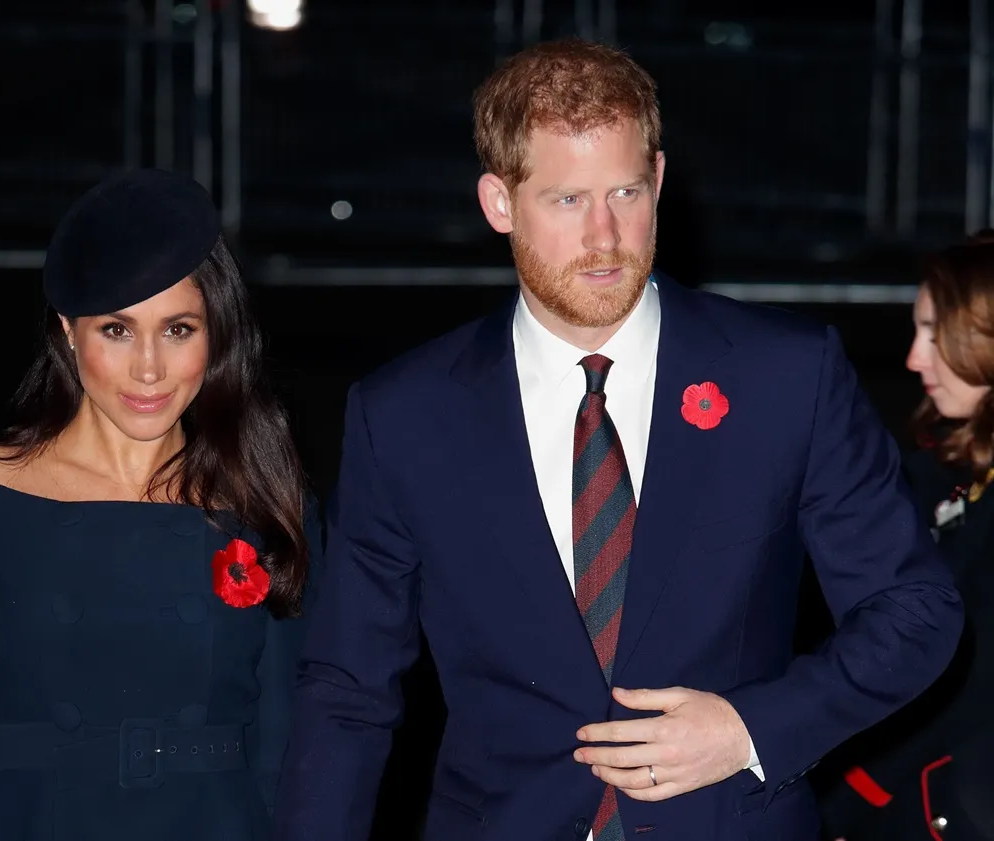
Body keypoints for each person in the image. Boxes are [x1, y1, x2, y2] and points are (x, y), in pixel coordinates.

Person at [271, 38, 963, 841]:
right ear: (499, 202)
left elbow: (916, 610)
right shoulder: (405, 415)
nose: (605, 236)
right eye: (567, 201)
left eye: (626, 192)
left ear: (660, 180)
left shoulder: (787, 377)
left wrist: (749, 729)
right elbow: (348, 688)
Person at [0, 169, 319, 841]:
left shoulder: (263, 499)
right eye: (118, 330)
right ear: (68, 330)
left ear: (215, 334)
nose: (149, 368)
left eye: (178, 328)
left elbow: (286, 761)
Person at [819, 234, 994, 841]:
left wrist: (847, 796)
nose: (916, 359)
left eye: (936, 334)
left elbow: (968, 689)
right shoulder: (946, 468)